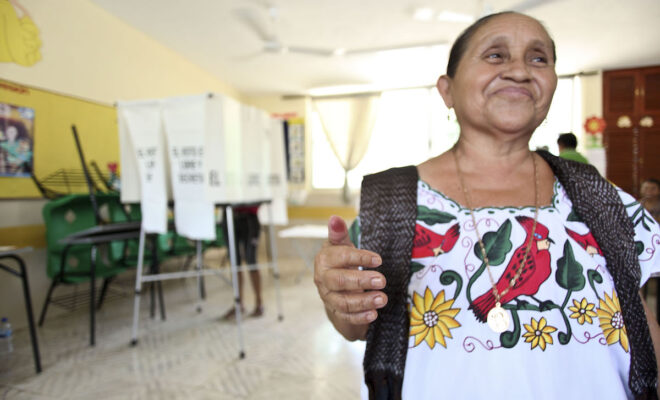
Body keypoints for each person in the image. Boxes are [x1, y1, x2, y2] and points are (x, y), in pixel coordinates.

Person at [314, 12, 660, 399]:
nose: (519, 70)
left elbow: (642, 321)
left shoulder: (602, 199)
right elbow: (356, 325)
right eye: (495, 55)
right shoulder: (393, 204)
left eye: (538, 58)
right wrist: (340, 302)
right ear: (447, 90)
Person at [221, 205, 264, 319]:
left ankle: (259, 303)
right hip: (228, 215)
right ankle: (238, 304)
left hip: (249, 217)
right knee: (234, 263)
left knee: (252, 261)